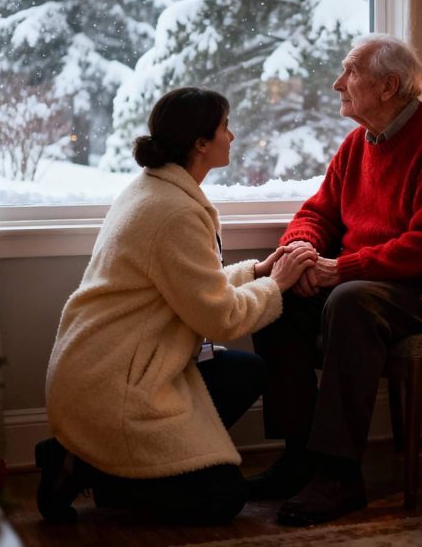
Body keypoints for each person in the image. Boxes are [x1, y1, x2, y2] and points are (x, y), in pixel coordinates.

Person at [36, 86, 316, 524]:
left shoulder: (154, 191)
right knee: (225, 499)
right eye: (225, 127)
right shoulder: (174, 212)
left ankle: (116, 467)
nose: (233, 136)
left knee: (246, 372)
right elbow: (221, 318)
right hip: (116, 383)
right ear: (200, 143)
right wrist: (277, 286)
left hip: (117, 365)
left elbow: (189, 288)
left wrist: (257, 274)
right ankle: (88, 465)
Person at [249, 35, 422, 526]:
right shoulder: (358, 143)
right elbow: (318, 211)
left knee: (351, 302)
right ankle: (302, 456)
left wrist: (343, 268)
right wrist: (302, 252)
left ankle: (341, 475)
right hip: (379, 284)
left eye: (350, 73)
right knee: (274, 299)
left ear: (388, 87)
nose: (338, 83)